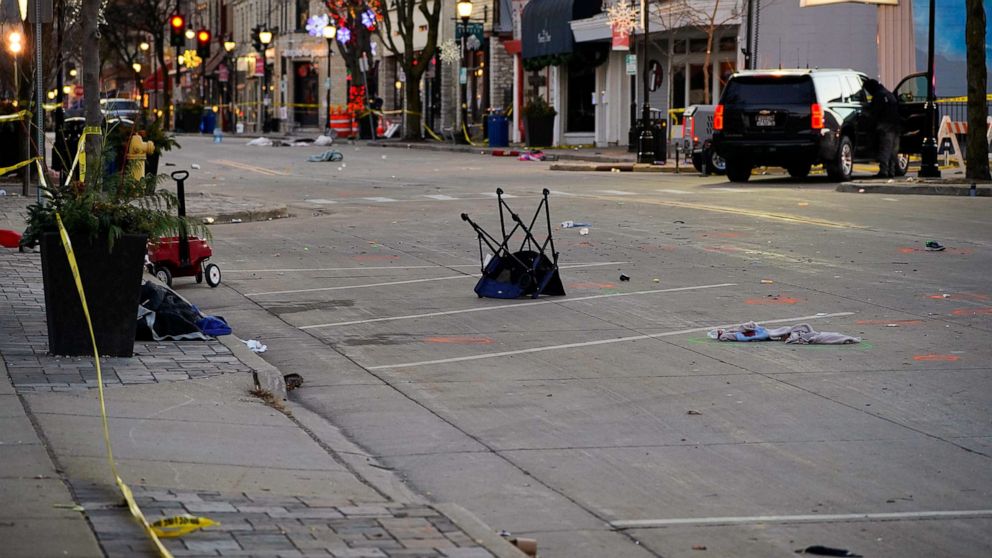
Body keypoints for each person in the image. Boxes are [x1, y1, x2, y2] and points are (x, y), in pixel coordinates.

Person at [864, 78, 901, 178]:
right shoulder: (889, 94)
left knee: (884, 149)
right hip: (896, 126)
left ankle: (883, 171)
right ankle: (891, 171)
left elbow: (874, 113)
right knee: (893, 151)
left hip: (885, 126)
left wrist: (869, 125)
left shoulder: (878, 96)